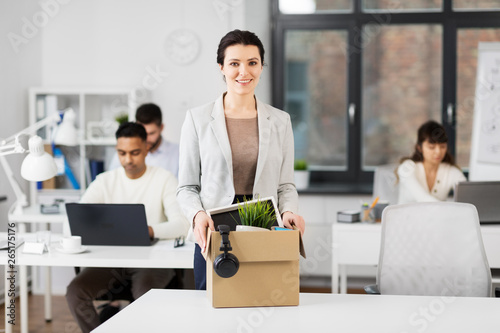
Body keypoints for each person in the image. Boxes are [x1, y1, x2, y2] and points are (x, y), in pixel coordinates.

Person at [176, 29, 305, 291]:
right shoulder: (197, 119)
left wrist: (289, 210)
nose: (243, 72)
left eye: (252, 63)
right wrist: (197, 215)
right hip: (214, 228)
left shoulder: (280, 121)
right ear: (221, 67)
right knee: (212, 305)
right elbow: (187, 187)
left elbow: (285, 185)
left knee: (264, 300)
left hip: (265, 226)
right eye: (234, 63)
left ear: (261, 67)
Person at [66, 122, 189, 333]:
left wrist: (148, 230)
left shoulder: (164, 179)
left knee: (144, 294)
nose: (127, 160)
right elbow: (80, 214)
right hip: (111, 261)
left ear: (147, 149)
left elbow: (182, 225)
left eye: (134, 153)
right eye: (122, 153)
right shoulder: (105, 181)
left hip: (152, 262)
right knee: (75, 291)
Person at [396, 120, 466, 204]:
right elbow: (422, 198)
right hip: (406, 217)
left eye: (442, 146)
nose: (438, 152)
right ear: (420, 148)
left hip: (437, 216)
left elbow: (468, 197)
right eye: (431, 147)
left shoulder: (451, 171)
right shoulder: (407, 168)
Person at [108, 103, 179, 177]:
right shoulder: (123, 152)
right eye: (143, 132)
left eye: (151, 133)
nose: (146, 138)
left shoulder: (178, 154)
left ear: (161, 128)